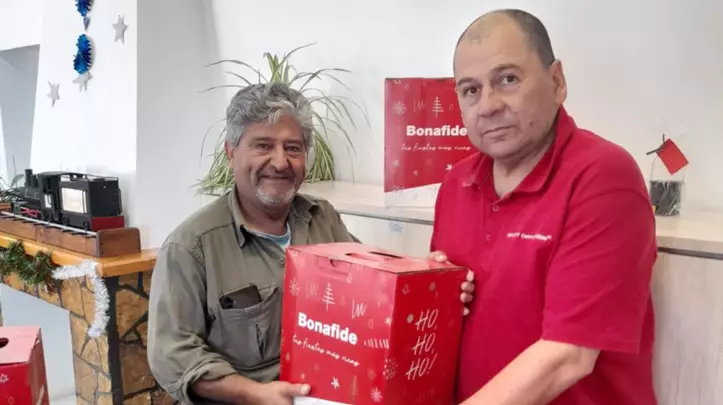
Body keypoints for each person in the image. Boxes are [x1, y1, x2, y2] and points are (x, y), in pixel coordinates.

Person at [147, 82, 473, 405]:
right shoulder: (191, 247)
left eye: (293, 148)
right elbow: (171, 353)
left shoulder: (323, 218)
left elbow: (373, 287)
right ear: (231, 153)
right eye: (263, 146)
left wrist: (430, 279)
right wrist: (253, 393)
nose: (280, 162)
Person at [429, 9, 658, 405]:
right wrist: (432, 291)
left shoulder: (604, 177)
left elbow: (568, 356)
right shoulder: (456, 183)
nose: (487, 105)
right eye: (471, 90)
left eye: (507, 79)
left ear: (556, 82)